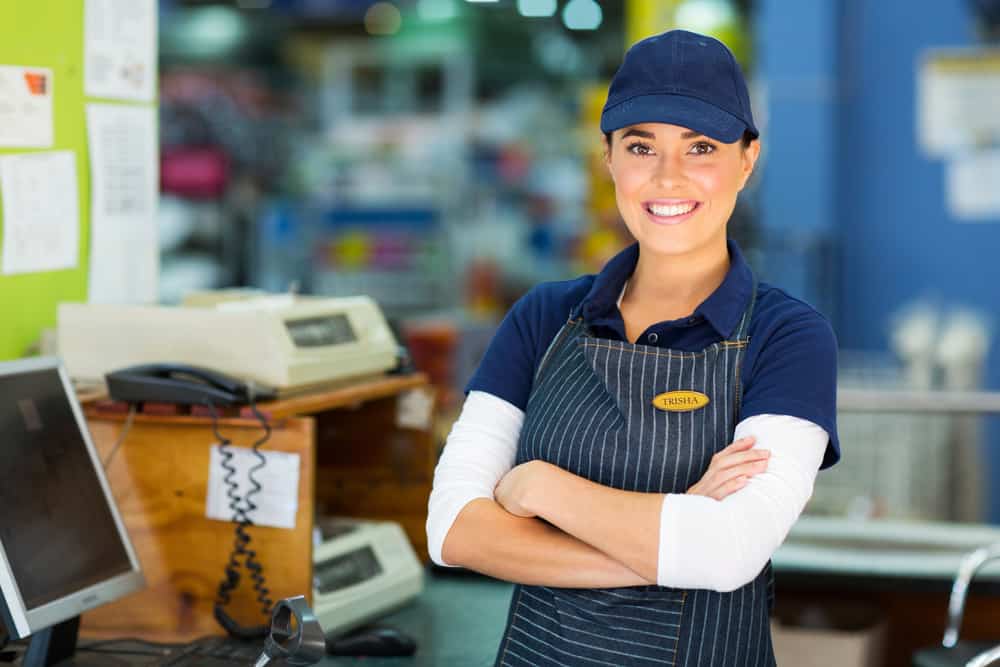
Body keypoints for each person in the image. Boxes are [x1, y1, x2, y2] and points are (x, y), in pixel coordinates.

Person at [426, 29, 840, 667]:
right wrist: (673, 542)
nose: (667, 177)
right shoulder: (543, 317)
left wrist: (539, 488)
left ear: (747, 158)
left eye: (700, 147)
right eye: (641, 146)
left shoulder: (788, 338)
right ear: (608, 158)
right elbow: (451, 529)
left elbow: (731, 550)